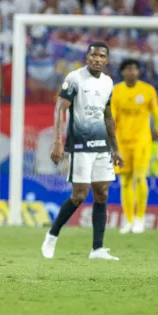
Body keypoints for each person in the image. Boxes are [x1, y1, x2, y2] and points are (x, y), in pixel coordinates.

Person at [43, 42, 124, 261]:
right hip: (79, 144)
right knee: (79, 195)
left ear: (107, 60)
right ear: (86, 58)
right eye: (94, 55)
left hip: (102, 145)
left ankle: (97, 249)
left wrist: (115, 148)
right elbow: (60, 108)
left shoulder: (108, 82)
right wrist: (58, 142)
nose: (98, 59)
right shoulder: (74, 78)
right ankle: (52, 235)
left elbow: (107, 116)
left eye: (102, 56)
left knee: (102, 193)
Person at [111, 59, 158, 234]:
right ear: (122, 72)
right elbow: (111, 119)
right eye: (128, 69)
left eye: (135, 69)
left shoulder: (147, 90)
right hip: (122, 143)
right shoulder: (116, 92)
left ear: (139, 72)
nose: (132, 72)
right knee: (125, 181)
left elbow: (157, 114)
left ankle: (140, 219)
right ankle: (128, 220)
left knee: (139, 178)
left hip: (142, 142)